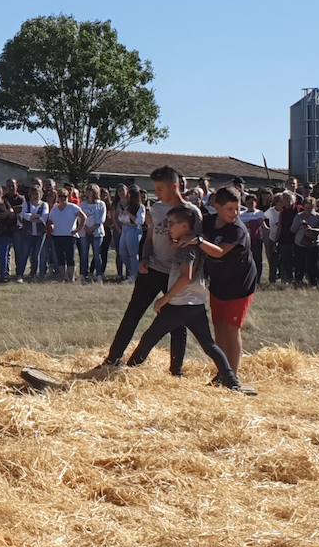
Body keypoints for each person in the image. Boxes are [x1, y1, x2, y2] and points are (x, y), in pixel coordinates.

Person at [124, 206, 251, 393]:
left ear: (184, 226)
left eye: (172, 224)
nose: (168, 228)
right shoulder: (192, 245)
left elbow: (186, 277)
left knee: (149, 338)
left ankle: (127, 372)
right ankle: (232, 380)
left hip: (179, 304)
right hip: (196, 304)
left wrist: (164, 299)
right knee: (209, 346)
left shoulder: (187, 249)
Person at [103, 166, 196, 374]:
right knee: (132, 314)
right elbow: (150, 236)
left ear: (174, 186)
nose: (157, 193)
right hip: (152, 269)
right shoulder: (156, 208)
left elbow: (195, 247)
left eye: (160, 188)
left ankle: (176, 371)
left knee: (177, 323)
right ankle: (112, 359)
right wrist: (144, 257)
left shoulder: (192, 212)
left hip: (174, 276)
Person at [196, 187, 258, 378]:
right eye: (229, 209)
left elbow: (218, 251)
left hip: (240, 285)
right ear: (217, 206)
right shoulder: (207, 222)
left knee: (232, 329)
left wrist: (198, 241)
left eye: (237, 208)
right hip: (219, 284)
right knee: (219, 327)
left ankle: (233, 376)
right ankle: (223, 371)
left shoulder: (237, 229)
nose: (235, 213)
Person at [46, 189, 85, 282]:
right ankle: (63, 277)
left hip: (69, 236)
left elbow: (83, 217)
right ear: (57, 197)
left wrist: (77, 229)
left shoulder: (73, 207)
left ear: (68, 197)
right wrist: (50, 227)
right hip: (57, 235)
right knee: (60, 257)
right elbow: (50, 220)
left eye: (65, 196)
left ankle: (71, 278)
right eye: (60, 196)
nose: (62, 199)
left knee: (70, 257)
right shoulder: (54, 209)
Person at [17, 185, 50, 279]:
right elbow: (24, 216)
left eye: (37, 194)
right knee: (24, 254)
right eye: (33, 194)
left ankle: (34, 274)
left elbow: (43, 217)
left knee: (36, 255)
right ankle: (20, 275)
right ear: (30, 195)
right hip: (27, 233)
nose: (35, 196)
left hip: (40, 234)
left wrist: (31, 217)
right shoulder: (25, 204)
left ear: (41, 194)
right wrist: (35, 217)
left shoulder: (45, 205)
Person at [291, 198, 319, 285]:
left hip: (314, 244)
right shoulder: (298, 216)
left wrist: (312, 229)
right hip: (300, 244)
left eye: (310, 208)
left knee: (313, 265)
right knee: (299, 264)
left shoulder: (318, 217)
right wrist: (301, 226)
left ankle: (313, 282)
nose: (308, 210)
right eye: (306, 208)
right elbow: (293, 230)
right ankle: (298, 281)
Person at [115, 186, 146, 282]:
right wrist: (121, 214)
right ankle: (132, 270)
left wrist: (128, 214)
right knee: (122, 252)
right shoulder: (127, 205)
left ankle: (134, 275)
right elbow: (121, 219)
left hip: (134, 230)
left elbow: (139, 221)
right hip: (125, 229)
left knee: (133, 254)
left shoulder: (140, 207)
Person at [79, 184, 107, 282]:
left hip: (97, 232)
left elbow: (101, 219)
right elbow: (80, 217)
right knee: (84, 254)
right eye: (87, 190)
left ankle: (98, 274)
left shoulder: (101, 204)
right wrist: (86, 228)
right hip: (84, 231)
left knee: (96, 254)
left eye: (91, 190)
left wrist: (93, 228)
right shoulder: (82, 204)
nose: (89, 192)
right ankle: (83, 274)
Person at [239, 194, 268, 286]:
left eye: (252, 202)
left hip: (257, 240)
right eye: (248, 202)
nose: (251, 204)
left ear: (256, 202)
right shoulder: (241, 215)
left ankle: (257, 279)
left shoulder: (260, 213)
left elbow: (264, 227)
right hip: (245, 240)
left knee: (257, 259)